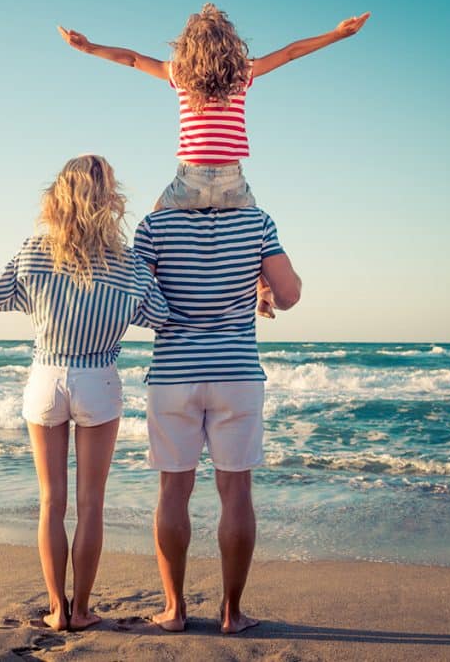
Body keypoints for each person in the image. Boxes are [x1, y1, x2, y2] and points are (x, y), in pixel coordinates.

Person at [0, 154, 169, 632]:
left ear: (59, 197)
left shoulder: (36, 250)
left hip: (46, 378)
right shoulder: (127, 263)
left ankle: (55, 609)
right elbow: (161, 314)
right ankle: (83, 609)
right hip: (99, 382)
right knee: (91, 504)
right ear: (109, 200)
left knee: (51, 502)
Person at [58, 4, 367, 318]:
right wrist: (338, 34)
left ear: (187, 46)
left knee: (154, 225)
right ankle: (263, 290)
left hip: (189, 181)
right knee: (258, 241)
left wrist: (89, 48)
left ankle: (137, 295)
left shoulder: (178, 73)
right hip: (232, 182)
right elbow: (290, 53)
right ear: (230, 44)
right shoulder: (243, 72)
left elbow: (133, 59)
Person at [133, 201, 302, 634]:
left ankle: (174, 611)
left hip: (173, 375)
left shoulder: (155, 224)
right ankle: (232, 613)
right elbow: (290, 295)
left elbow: (138, 301)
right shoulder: (257, 221)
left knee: (173, 490)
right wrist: (262, 282)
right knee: (236, 490)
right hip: (235, 373)